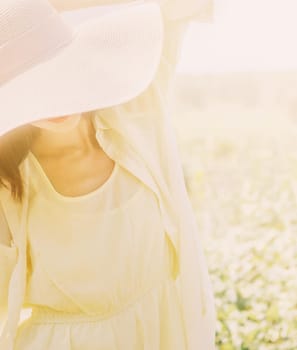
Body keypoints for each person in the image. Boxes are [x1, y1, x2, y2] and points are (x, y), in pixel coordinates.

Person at [0, 0, 216, 349]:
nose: (52, 97)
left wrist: (56, 7)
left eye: (57, 69)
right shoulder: (10, 182)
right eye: (30, 87)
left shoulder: (138, 105)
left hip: (163, 331)